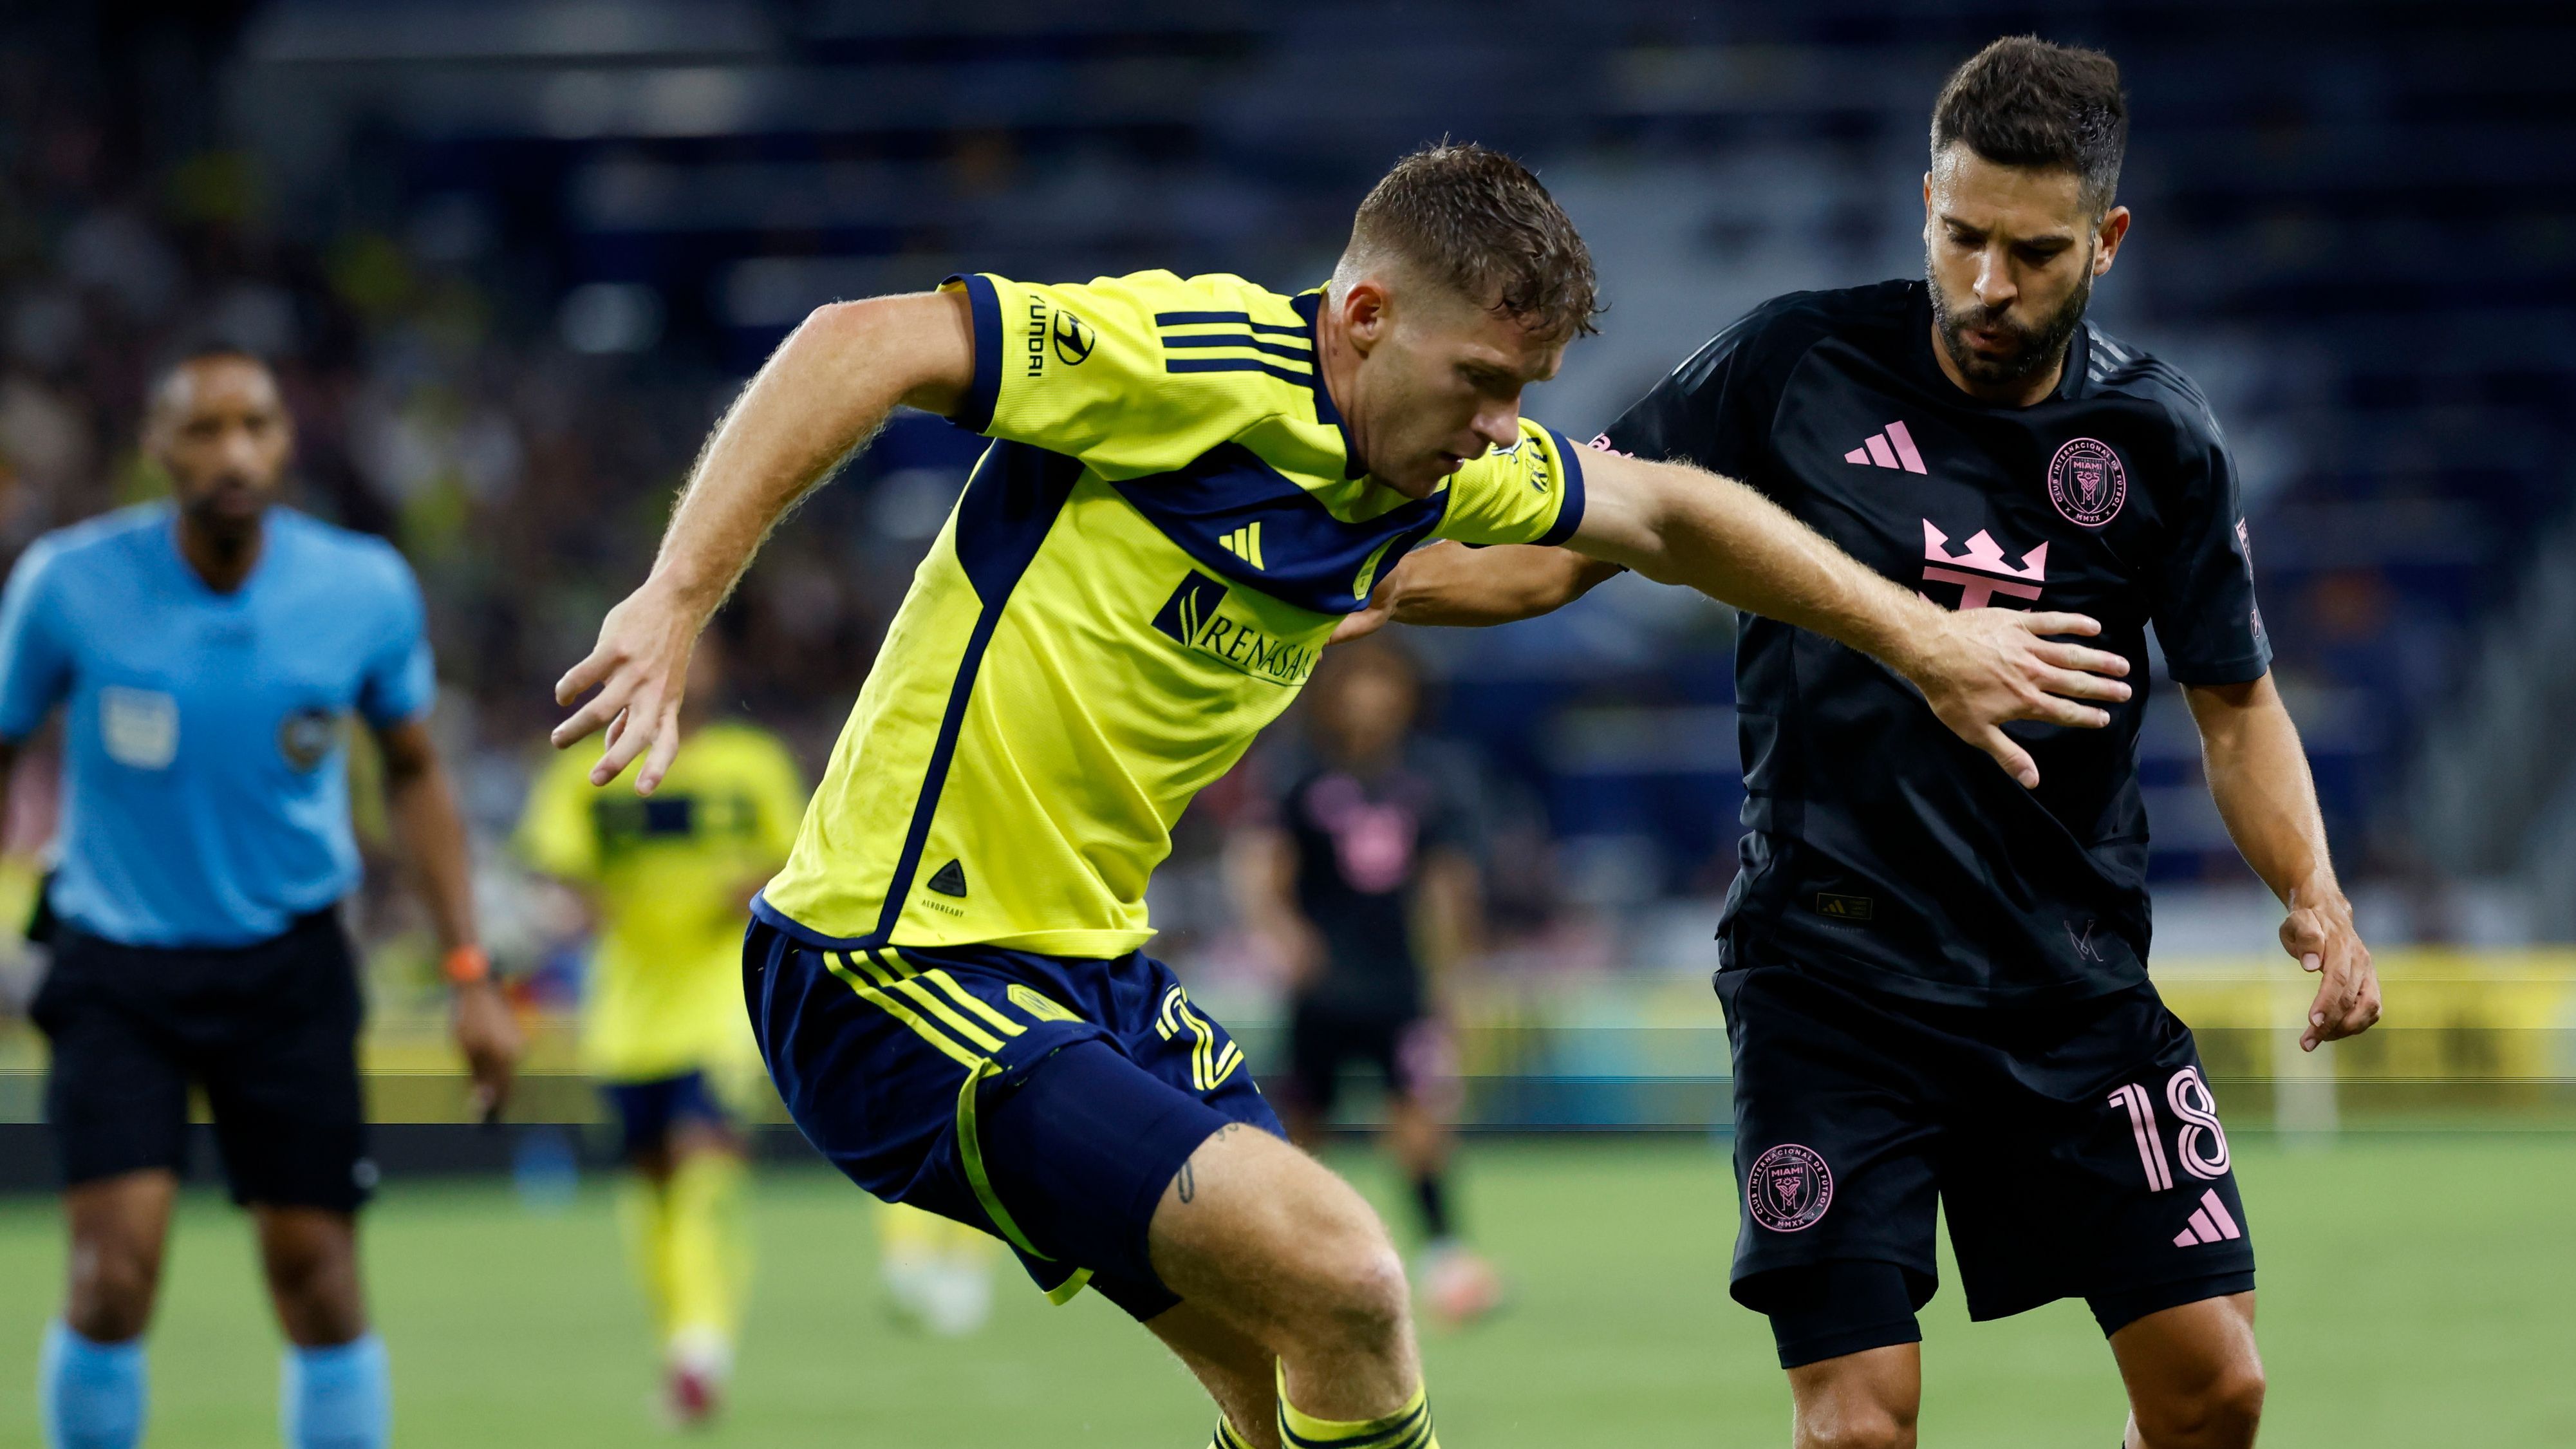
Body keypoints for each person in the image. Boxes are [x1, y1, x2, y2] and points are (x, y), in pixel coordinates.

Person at [549, 142, 2131, 1449]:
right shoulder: (1186, 364)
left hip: (1087, 971)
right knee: (1351, 1275)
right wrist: (675, 600)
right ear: (1362, 314)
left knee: (1281, 1364)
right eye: (1482, 381)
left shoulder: (1432, 463)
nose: (1502, 429)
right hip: (890, 963)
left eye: (1526, 390)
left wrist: (1923, 639)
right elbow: (861, 339)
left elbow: (1658, 511)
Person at [1338, 40, 2382, 1449]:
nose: (1988, 284)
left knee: (2219, 1391)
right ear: (1926, 206)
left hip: (2068, 982)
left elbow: (2237, 707)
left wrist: (2311, 891)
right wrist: (1358, 580)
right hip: (1831, 981)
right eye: (1962, 237)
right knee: (1859, 1427)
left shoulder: (2160, 441)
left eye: (2033, 250)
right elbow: (1568, 551)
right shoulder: (1792, 364)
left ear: (2109, 241)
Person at [0, 347, 521, 1449]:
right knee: (110, 1275)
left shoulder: (362, 588)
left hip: (289, 966)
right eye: (204, 429)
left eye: (256, 426)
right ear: (156, 447)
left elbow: (417, 771)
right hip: (116, 964)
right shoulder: (65, 584)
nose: (233, 452)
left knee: (320, 1277)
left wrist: (470, 972)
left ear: (287, 442)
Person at [515, 629, 810, 1423]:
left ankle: (701, 1349)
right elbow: (558, 871)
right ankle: (680, 1335)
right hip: (627, 1010)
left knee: (703, 1157)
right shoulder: (586, 769)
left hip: (721, 998)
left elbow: (802, 858)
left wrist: (752, 888)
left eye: (701, 651)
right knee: (649, 1179)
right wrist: (574, 906)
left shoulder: (754, 765)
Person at [1231, 638, 1502, 1326]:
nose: (1370, 696)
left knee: (1418, 1121)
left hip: (1399, 984)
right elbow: (1264, 865)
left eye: (1384, 679)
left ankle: (1447, 1258)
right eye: (1358, 680)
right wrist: (1284, 936)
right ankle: (1278, 1256)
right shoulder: (1298, 770)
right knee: (1301, 1127)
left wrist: (1454, 979)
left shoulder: (1434, 775)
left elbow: (1447, 886)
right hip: (1323, 988)